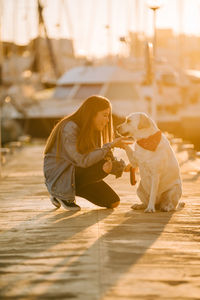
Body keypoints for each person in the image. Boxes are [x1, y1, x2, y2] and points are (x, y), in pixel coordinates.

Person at [43, 95, 131, 211]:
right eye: (104, 115)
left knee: (113, 201)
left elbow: (97, 156)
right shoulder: (69, 127)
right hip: (61, 176)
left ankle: (72, 190)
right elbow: (81, 160)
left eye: (108, 116)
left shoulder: (91, 130)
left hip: (77, 174)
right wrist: (110, 145)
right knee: (102, 163)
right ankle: (60, 193)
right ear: (92, 114)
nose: (108, 120)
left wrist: (125, 166)